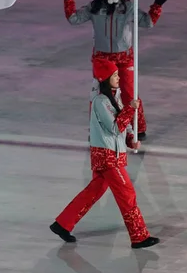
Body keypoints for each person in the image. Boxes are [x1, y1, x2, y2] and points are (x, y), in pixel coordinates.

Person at [50, 57, 159, 249]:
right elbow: (114, 127)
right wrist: (129, 110)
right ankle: (139, 236)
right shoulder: (100, 102)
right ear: (105, 78)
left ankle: (62, 224)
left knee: (95, 190)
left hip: (112, 154)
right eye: (115, 75)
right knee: (127, 193)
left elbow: (121, 129)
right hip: (108, 157)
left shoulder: (113, 99)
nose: (118, 78)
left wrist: (131, 138)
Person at [60, 0, 170, 139]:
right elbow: (74, 19)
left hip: (124, 57)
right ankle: (99, 128)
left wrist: (157, 6)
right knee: (101, 95)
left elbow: (147, 22)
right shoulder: (94, 7)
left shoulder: (128, 7)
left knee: (128, 92)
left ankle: (137, 128)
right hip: (102, 58)